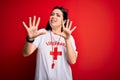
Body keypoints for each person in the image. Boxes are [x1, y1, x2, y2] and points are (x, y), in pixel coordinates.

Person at [22, 6, 78, 80]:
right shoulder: (42, 33)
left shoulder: (69, 37)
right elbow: (25, 53)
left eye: (58, 15)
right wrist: (30, 39)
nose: (53, 16)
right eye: (52, 14)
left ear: (64, 21)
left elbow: (72, 61)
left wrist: (67, 39)